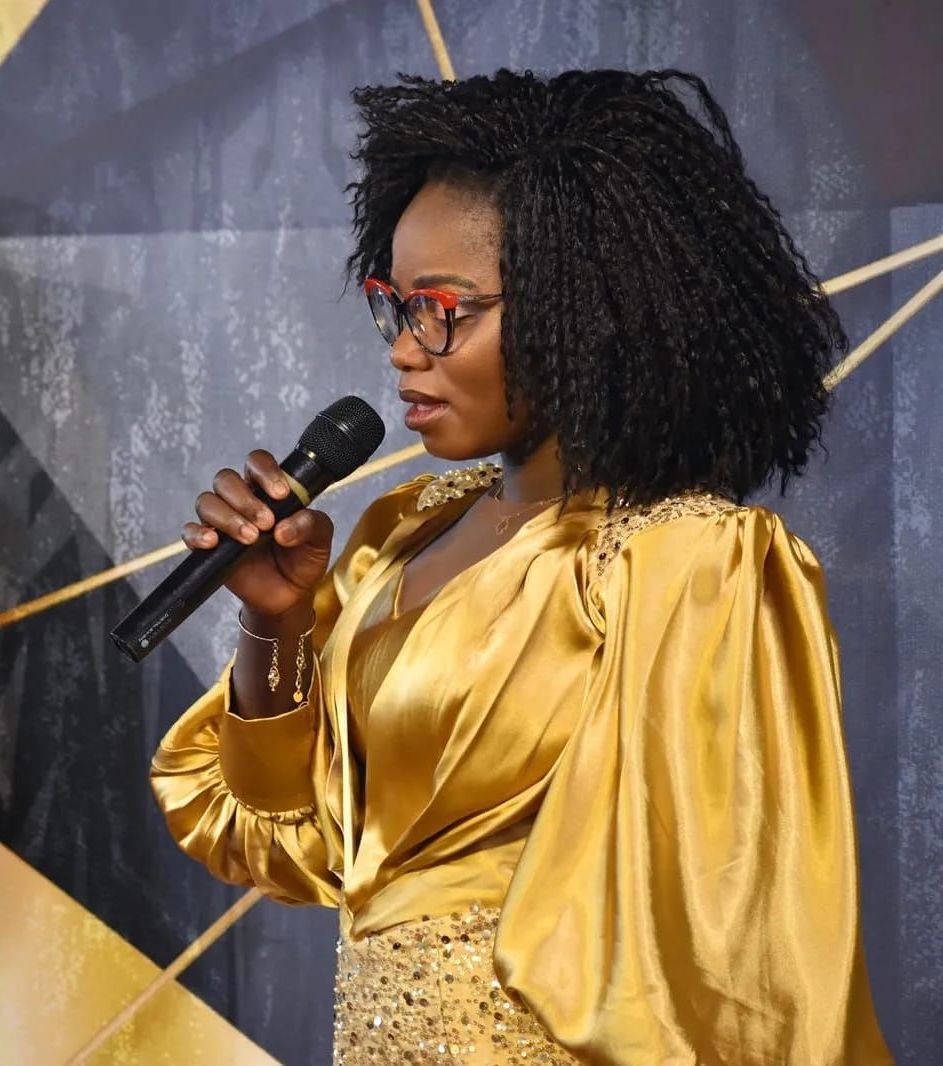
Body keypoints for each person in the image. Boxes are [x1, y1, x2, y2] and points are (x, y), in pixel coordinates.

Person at [149, 68, 894, 1064]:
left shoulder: (688, 561)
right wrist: (275, 624)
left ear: (581, 307)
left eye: (442, 310)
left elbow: (736, 961)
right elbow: (288, 838)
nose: (405, 351)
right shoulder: (394, 537)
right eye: (394, 305)